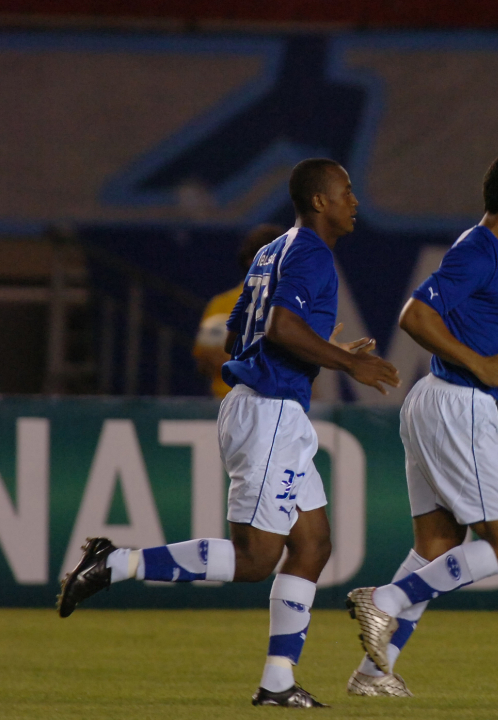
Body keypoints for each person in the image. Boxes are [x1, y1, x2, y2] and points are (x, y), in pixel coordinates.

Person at [57, 158, 401, 708]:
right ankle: (114, 564)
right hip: (268, 413)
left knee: (312, 545)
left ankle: (278, 682)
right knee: (255, 560)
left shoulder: (271, 252)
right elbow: (281, 326)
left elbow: (239, 330)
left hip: (269, 407)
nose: (354, 201)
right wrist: (343, 361)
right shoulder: (311, 252)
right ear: (320, 201)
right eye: (346, 192)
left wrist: (315, 350)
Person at [344, 151, 498, 697]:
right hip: (457, 402)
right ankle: (383, 600)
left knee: (436, 542)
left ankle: (372, 675)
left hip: (441, 401)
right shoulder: (478, 252)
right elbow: (414, 315)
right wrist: (477, 362)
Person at [193, 223, 284, 399]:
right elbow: (203, 364)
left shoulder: (291, 305)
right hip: (232, 405)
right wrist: (216, 360)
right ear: (252, 261)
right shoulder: (221, 304)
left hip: (279, 408)